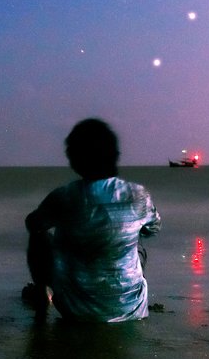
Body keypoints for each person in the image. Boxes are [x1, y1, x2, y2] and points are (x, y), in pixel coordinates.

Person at [24, 118, 161, 322]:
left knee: (39, 234)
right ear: (115, 156)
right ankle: (121, 295)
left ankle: (43, 292)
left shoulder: (64, 197)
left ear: (74, 160)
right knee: (135, 239)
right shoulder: (138, 196)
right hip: (132, 310)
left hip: (75, 310)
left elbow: (32, 223)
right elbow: (153, 228)